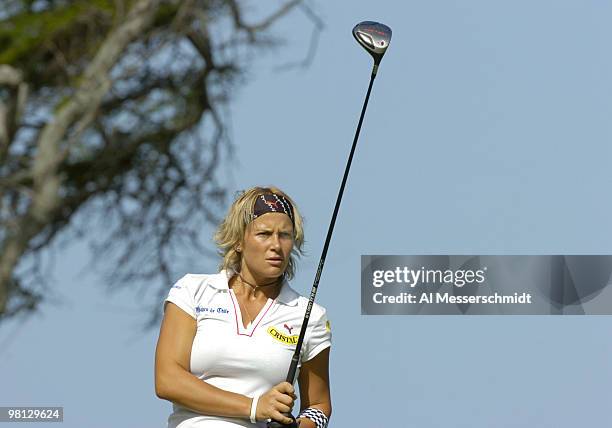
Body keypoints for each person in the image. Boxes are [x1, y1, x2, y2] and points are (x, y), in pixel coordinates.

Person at [155, 186, 332, 428]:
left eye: (285, 235)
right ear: (239, 241)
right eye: (264, 234)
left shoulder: (309, 315)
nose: (276, 246)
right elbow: (167, 380)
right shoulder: (193, 291)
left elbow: (318, 407)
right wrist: (253, 407)